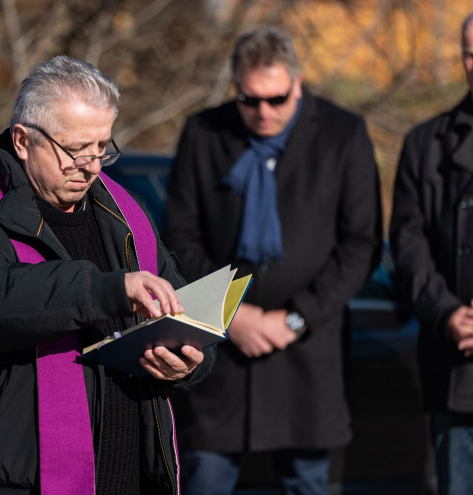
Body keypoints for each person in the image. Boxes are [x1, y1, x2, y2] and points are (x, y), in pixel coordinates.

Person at [0, 55, 213, 495]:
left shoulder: (122, 212)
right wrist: (109, 289)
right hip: (9, 482)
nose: (92, 166)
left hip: (130, 476)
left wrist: (188, 361)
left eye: (102, 148)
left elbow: (180, 305)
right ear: (22, 140)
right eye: (75, 150)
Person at [162, 26, 382, 494]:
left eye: (277, 99)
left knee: (306, 481)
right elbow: (180, 236)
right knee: (205, 477)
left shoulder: (343, 134)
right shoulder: (204, 132)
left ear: (297, 85)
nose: (263, 111)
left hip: (306, 350)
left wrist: (297, 318)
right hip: (219, 349)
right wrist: (231, 315)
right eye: (249, 99)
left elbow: (361, 243)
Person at [390, 13, 473, 495]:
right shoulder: (426, 144)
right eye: (469, 52)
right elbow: (408, 242)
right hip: (456, 365)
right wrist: (446, 313)